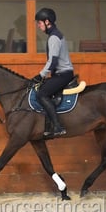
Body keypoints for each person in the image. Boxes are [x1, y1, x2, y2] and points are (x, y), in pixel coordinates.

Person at [32, 8, 74, 138]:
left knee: (42, 94)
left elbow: (53, 62)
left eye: (39, 23)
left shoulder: (54, 38)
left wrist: (40, 75)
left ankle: (57, 126)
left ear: (47, 22)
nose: (38, 26)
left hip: (63, 74)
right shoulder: (55, 35)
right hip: (61, 74)